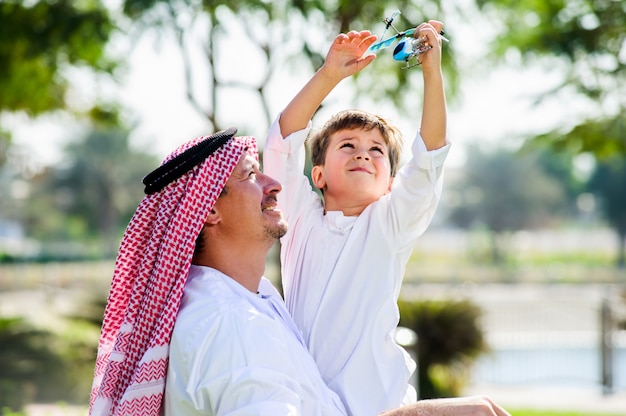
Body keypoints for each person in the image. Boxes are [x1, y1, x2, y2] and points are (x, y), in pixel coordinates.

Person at [88, 126, 510, 416]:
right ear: (209, 209)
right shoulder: (230, 324)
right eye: (251, 175)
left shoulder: (251, 299)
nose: (274, 184)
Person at [263, 21, 448, 415]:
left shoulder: (391, 222)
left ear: (391, 184)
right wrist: (330, 75)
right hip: (303, 402)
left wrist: (432, 74)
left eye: (376, 150)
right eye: (347, 145)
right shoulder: (298, 220)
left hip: (379, 405)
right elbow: (281, 143)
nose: (363, 154)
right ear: (318, 176)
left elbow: (430, 159)